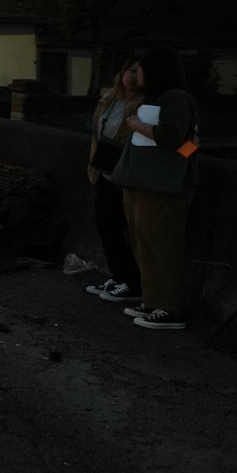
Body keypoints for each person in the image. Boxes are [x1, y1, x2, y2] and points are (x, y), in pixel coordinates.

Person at [114, 47, 200, 331]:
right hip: (143, 182)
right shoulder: (156, 98)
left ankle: (170, 307)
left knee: (162, 246)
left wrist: (137, 125)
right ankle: (153, 301)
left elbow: (173, 138)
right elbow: (190, 144)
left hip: (162, 186)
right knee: (145, 245)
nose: (137, 75)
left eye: (142, 70)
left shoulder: (176, 98)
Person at [83, 56, 144, 303]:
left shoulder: (145, 105)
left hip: (128, 176)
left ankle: (133, 283)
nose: (133, 76)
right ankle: (120, 277)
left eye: (140, 72)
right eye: (130, 69)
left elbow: (186, 144)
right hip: (104, 171)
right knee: (106, 226)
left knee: (127, 230)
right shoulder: (110, 99)